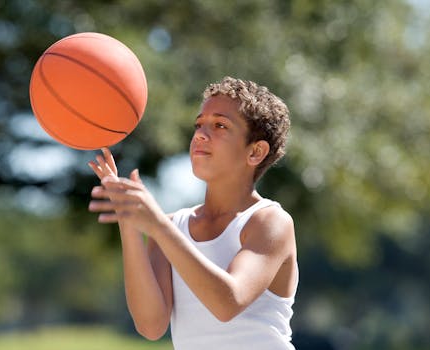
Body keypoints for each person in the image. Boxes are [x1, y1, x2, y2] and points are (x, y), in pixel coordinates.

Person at [88, 76, 297, 350]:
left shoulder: (270, 222)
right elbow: (151, 326)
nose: (200, 134)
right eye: (199, 124)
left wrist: (160, 228)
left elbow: (227, 303)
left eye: (220, 125)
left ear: (255, 152)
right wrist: (129, 223)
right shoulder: (173, 225)